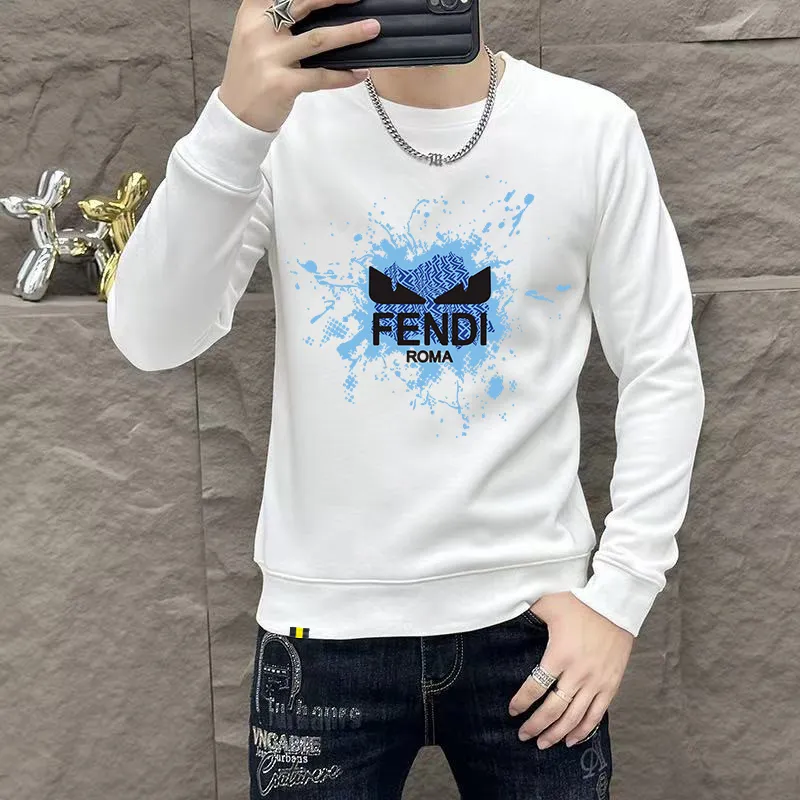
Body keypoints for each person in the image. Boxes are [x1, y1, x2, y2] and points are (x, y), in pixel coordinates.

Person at [106, 0, 706, 796]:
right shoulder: (282, 129)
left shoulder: (589, 129)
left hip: (532, 628)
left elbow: (662, 365)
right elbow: (151, 336)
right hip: (321, 634)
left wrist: (621, 598)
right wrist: (234, 121)